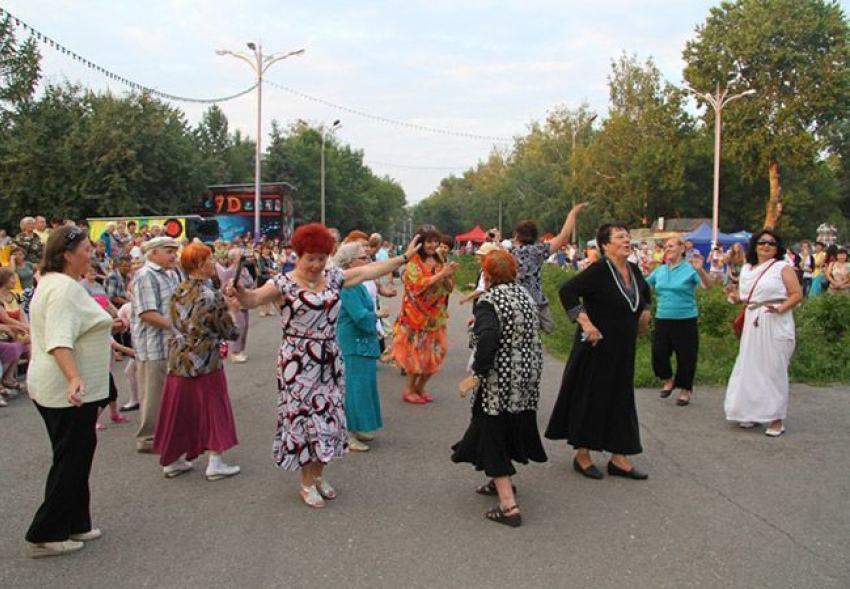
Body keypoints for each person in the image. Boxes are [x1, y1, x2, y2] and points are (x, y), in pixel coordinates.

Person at [226, 223, 419, 509]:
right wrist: (240, 293)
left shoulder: (333, 278)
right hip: (298, 363)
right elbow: (253, 299)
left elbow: (368, 271)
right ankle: (305, 482)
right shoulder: (282, 283)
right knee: (305, 422)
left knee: (328, 420)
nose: (316, 264)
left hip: (329, 358)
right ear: (298, 255)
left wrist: (404, 257)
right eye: (310, 258)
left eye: (321, 258)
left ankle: (318, 475)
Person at [25, 225, 118, 557]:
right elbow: (59, 339)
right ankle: (46, 531)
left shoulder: (56, 284)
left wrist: (106, 325)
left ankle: (76, 520)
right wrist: (73, 378)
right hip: (66, 391)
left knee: (78, 453)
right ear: (66, 255)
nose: (89, 255)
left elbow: (78, 324)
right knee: (71, 458)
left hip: (64, 387)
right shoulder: (63, 289)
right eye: (84, 250)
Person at [545, 223, 652, 480]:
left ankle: (619, 457)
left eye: (627, 236)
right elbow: (567, 291)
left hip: (623, 347)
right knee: (591, 396)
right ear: (605, 245)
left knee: (621, 398)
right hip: (596, 346)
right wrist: (586, 322)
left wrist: (645, 312)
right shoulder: (599, 270)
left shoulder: (633, 269)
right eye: (620, 237)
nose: (627, 240)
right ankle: (583, 455)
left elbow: (645, 294)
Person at [451, 250, 547, 528]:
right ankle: (498, 482)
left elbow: (490, 336)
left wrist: (479, 371)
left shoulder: (489, 301)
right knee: (505, 424)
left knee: (492, 428)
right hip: (527, 373)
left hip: (499, 376)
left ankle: (508, 506)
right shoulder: (524, 295)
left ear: (488, 275)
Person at [153, 243, 241, 480]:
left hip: (178, 358)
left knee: (178, 410)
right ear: (201, 266)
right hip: (205, 360)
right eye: (211, 259)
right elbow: (230, 332)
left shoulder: (177, 290)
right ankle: (216, 461)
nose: (214, 262)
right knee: (213, 407)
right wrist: (232, 310)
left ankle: (173, 459)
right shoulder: (210, 295)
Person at [724, 230, 802, 436]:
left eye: (771, 243)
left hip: (775, 320)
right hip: (753, 320)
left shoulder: (782, 267)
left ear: (778, 247)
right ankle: (750, 413)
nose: (766, 246)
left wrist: (781, 308)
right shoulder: (748, 268)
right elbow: (746, 296)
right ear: (755, 246)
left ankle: (776, 419)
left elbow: (796, 294)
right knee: (750, 366)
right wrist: (733, 297)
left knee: (773, 369)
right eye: (762, 242)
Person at [392, 226, 458, 404]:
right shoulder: (414, 261)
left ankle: (420, 388)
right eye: (429, 241)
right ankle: (409, 389)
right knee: (417, 356)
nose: (433, 245)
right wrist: (441, 275)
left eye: (436, 241)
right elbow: (418, 286)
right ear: (420, 242)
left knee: (437, 354)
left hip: (436, 316)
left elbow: (449, 287)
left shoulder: (438, 259)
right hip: (416, 317)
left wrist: (448, 275)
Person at [130, 237, 180, 453]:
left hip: (168, 343)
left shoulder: (167, 275)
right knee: (152, 394)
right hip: (152, 345)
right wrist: (176, 327)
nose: (173, 255)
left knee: (165, 392)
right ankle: (148, 439)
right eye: (168, 251)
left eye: (174, 251)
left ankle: (164, 434)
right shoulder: (146, 275)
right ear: (152, 253)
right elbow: (147, 313)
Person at [646, 239, 710, 407]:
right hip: (663, 317)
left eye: (671, 246)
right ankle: (668, 379)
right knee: (659, 352)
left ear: (682, 248)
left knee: (686, 356)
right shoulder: (660, 271)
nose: (668, 249)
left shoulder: (690, 269)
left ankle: (685, 390)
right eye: (666, 247)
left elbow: (708, 286)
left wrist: (701, 271)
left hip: (685, 319)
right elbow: (644, 286)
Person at [334, 243, 385, 452]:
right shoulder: (347, 286)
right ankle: (346, 433)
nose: (368, 262)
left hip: (362, 341)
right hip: (352, 342)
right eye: (363, 258)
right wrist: (378, 316)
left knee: (364, 387)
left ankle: (357, 427)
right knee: (353, 389)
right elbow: (360, 316)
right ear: (349, 262)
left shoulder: (358, 284)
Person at [511, 203, 586, 333]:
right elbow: (564, 236)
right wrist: (573, 213)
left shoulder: (508, 253)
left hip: (514, 302)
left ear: (516, 235)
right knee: (535, 335)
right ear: (534, 236)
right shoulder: (538, 251)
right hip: (535, 302)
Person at [217, 248, 253, 363]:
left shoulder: (244, 270)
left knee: (245, 326)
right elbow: (223, 288)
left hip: (245, 301)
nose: (242, 256)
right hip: (234, 302)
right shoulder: (229, 271)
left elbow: (250, 281)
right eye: (239, 255)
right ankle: (234, 352)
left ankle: (241, 350)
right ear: (233, 259)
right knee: (239, 325)